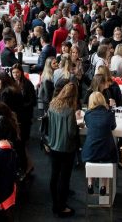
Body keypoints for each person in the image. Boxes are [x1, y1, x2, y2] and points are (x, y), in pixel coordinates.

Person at [47, 82, 80, 217]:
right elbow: (71, 132)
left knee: (54, 175)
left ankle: (55, 203)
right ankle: (61, 206)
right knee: (64, 178)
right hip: (66, 147)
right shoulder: (70, 110)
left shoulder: (53, 104)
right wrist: (79, 124)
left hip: (53, 144)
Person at [81, 92, 117, 195]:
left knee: (93, 157)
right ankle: (103, 186)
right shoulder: (109, 114)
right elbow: (113, 127)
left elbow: (88, 125)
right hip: (106, 152)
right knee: (106, 159)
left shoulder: (87, 114)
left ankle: (90, 183)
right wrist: (110, 108)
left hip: (90, 152)